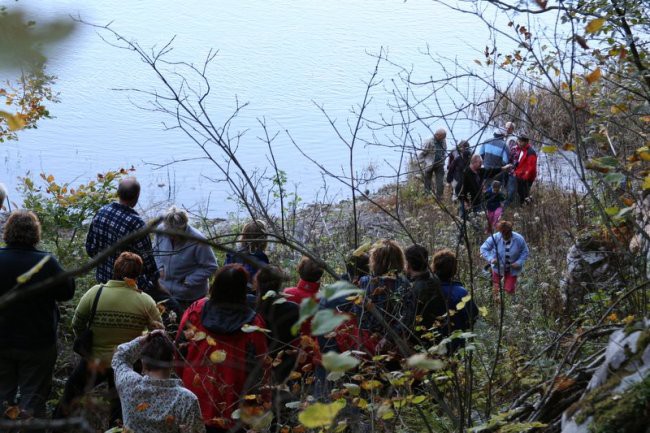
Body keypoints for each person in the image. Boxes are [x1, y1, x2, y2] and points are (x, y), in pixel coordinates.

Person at [53, 252, 163, 427]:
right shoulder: (145, 301)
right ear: (138, 274)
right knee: (120, 413)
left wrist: (87, 344)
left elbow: (77, 324)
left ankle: (57, 429)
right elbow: (158, 333)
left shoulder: (95, 293)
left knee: (69, 399)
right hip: (126, 365)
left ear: (114, 270)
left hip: (94, 360)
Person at [176, 264, 269, 433]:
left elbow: (178, 354)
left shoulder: (195, 311)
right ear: (243, 289)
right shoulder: (253, 325)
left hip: (193, 401)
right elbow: (262, 370)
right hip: (232, 409)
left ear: (215, 285)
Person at [0, 211, 75, 419]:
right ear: (35, 234)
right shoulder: (45, 263)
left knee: (2, 396)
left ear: (8, 232)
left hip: (2, 340)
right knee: (32, 398)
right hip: (37, 342)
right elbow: (67, 292)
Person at [85, 177, 165, 300]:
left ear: (118, 193)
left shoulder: (101, 212)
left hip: (103, 283)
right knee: (169, 303)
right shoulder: (136, 224)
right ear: (137, 196)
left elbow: (90, 249)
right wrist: (157, 284)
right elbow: (148, 263)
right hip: (128, 287)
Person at [112, 332, 205, 433]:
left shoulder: (129, 384)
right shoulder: (186, 399)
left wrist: (143, 339)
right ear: (172, 362)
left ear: (143, 362)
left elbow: (120, 357)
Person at [337, 240, 412, 354]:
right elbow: (407, 317)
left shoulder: (365, 282)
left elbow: (360, 315)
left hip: (370, 341)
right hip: (396, 342)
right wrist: (389, 338)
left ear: (375, 260)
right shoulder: (405, 283)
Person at [154, 206, 218, 313]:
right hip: (164, 291)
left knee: (187, 326)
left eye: (174, 234)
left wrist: (189, 281)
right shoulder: (161, 231)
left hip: (189, 296)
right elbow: (155, 251)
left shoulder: (198, 240)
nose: (171, 237)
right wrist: (160, 268)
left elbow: (211, 266)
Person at [255, 266, 300, 383]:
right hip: (285, 364)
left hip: (257, 363)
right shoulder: (293, 309)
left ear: (257, 283)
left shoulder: (251, 306)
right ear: (280, 284)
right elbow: (296, 337)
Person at [431, 249, 478, 351]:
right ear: (454, 270)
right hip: (456, 344)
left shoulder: (428, 289)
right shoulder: (461, 293)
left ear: (434, 267)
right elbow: (472, 316)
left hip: (431, 343)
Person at [480, 221, 530, 300]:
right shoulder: (495, 238)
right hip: (497, 268)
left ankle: (509, 307)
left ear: (510, 231)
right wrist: (491, 259)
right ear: (500, 232)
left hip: (512, 269)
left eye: (507, 233)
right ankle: (497, 308)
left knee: (508, 291)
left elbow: (525, 252)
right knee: (496, 292)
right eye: (503, 233)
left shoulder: (518, 239)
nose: (505, 235)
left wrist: (519, 262)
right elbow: (483, 248)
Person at [403, 244, 443, 340]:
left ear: (408, 264)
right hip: (435, 334)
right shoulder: (435, 279)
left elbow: (408, 319)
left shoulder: (414, 289)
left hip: (417, 338)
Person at [420, 128, 447, 198]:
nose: (443, 138)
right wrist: (423, 163)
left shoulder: (443, 140)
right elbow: (421, 153)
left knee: (440, 181)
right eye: (442, 137)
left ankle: (439, 197)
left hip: (439, 164)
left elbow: (444, 150)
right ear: (437, 135)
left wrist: (443, 159)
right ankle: (427, 195)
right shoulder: (428, 141)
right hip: (429, 164)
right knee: (427, 181)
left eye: (444, 137)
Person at [512, 134, 538, 204]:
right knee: (521, 194)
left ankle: (526, 208)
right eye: (518, 141)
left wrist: (524, 178)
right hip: (520, 176)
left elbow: (531, 168)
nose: (519, 143)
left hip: (526, 178)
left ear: (526, 142)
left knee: (524, 195)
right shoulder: (522, 150)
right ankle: (523, 207)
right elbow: (521, 162)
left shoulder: (531, 152)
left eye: (521, 141)